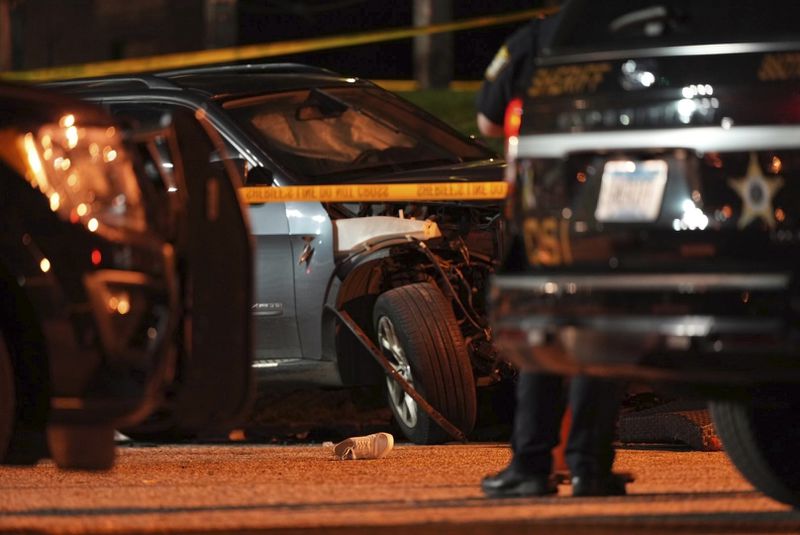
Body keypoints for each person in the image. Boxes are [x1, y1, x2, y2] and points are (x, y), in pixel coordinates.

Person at [477, 8, 629, 498]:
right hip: (617, 205)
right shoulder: (639, 32)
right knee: (598, 339)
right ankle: (590, 467)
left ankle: (531, 465)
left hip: (543, 207)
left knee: (544, 337)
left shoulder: (534, 39)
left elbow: (487, 120)